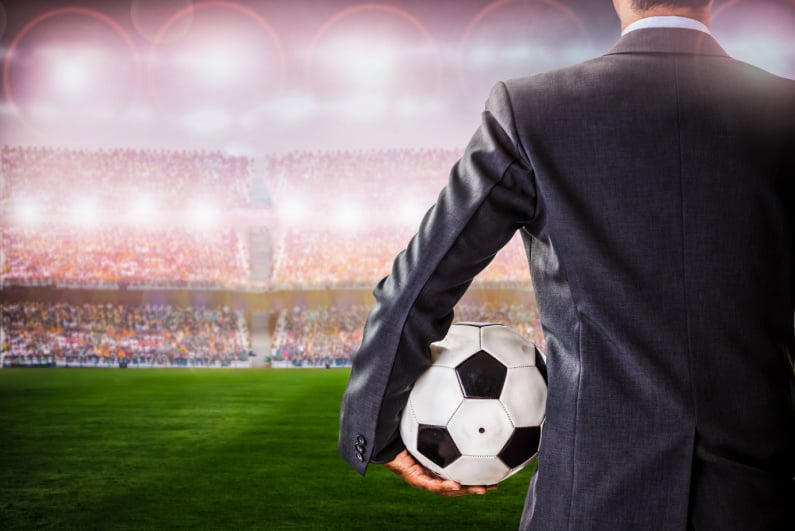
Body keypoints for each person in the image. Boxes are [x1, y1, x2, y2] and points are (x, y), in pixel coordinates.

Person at [338, 0, 795, 528]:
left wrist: (376, 426)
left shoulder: (532, 110)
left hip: (588, 500)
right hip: (759, 497)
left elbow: (417, 284)